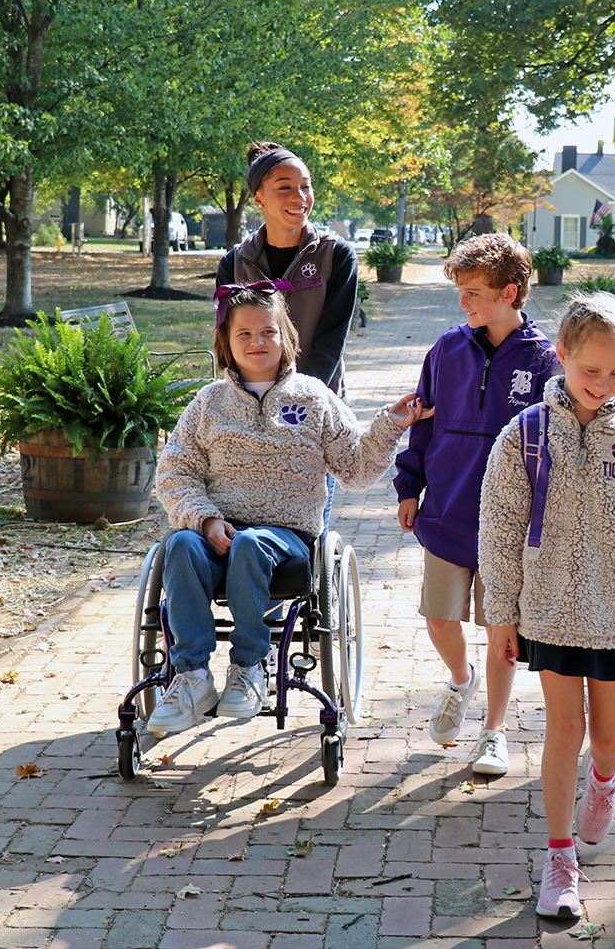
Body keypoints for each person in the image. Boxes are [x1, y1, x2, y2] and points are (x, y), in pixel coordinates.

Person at [478, 292, 615, 920]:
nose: (603, 384)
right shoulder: (526, 435)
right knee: (564, 731)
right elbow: (500, 524)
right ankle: (559, 857)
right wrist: (502, 613)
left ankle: (604, 783)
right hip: (550, 605)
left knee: (611, 739)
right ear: (561, 355)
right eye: (591, 370)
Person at [150, 284, 423, 735]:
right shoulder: (208, 403)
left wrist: (390, 424)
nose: (257, 342)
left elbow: (354, 469)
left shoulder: (313, 397)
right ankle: (193, 675)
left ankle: (250, 666)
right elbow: (174, 473)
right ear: (226, 343)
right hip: (215, 533)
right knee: (179, 543)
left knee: (252, 545)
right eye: (245, 335)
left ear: (286, 338)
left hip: (286, 538)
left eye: (268, 332)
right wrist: (206, 518)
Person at [393, 234, 557, 775]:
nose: (464, 304)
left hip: (509, 523)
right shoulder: (445, 349)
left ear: (510, 292)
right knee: (440, 619)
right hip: (447, 510)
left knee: (500, 629)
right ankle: (461, 681)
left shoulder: (546, 360)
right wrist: (409, 486)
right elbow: (423, 422)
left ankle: (494, 730)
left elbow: (553, 442)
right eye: (461, 293)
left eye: (474, 293)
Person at [215, 142, 358, 396]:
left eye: (306, 186)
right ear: (258, 198)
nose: (300, 197)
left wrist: (302, 397)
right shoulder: (235, 263)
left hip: (317, 402)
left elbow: (331, 342)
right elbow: (230, 342)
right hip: (251, 404)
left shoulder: (336, 255)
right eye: (285, 187)